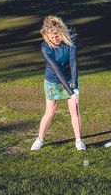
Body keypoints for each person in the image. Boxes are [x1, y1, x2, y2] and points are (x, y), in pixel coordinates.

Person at [31, 15, 86, 151]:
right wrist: (70, 92)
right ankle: (40, 139)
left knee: (75, 111)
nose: (55, 40)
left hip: (69, 79)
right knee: (50, 111)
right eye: (52, 37)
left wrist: (74, 87)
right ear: (47, 36)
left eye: (57, 36)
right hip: (53, 81)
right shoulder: (45, 48)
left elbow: (73, 64)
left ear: (61, 33)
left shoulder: (70, 44)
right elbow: (57, 70)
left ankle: (79, 141)